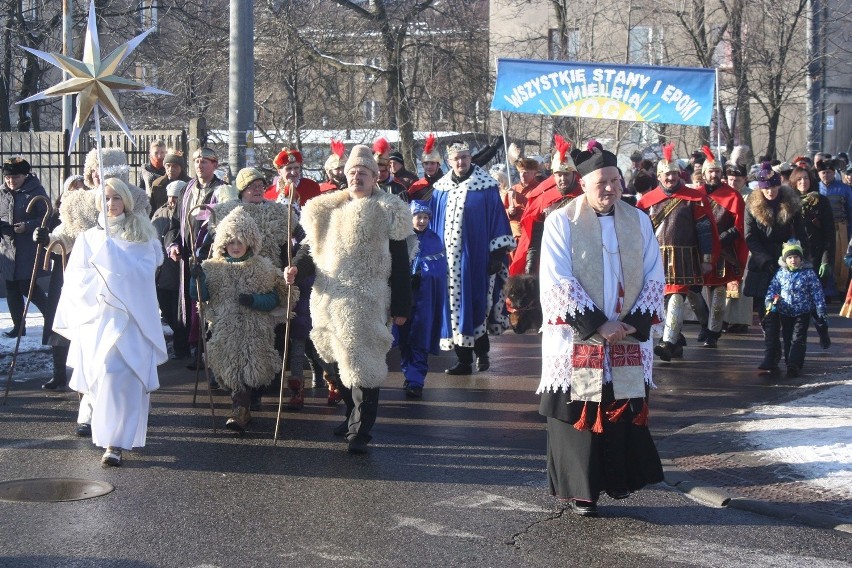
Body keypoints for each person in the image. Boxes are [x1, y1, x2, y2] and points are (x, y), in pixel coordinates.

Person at [537, 144, 665, 517]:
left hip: (625, 332)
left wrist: (634, 321)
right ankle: (583, 491)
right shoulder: (563, 221)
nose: (610, 188)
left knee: (619, 405)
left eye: (615, 181)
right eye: (601, 182)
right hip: (580, 335)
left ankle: (617, 480)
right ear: (583, 183)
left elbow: (654, 272)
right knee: (582, 409)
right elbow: (556, 279)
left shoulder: (638, 219)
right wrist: (596, 324)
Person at [285, 144, 412, 454]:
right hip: (330, 299)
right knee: (333, 361)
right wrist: (296, 269)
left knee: (363, 364)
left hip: (367, 299)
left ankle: (360, 429)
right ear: (345, 175)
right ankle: (350, 414)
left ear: (374, 177)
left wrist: (401, 306)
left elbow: (401, 262)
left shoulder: (387, 210)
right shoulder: (328, 210)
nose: (357, 177)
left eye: (364, 173)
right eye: (353, 172)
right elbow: (308, 250)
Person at [53, 177, 166, 467]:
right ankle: (106, 436)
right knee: (104, 376)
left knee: (126, 376)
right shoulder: (90, 238)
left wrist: (116, 261)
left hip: (132, 319)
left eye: (116, 198)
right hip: (100, 318)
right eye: (106, 198)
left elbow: (146, 273)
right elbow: (76, 279)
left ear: (126, 201)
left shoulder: (143, 235)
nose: (111, 203)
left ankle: (117, 442)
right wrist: (99, 273)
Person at [35, 148, 149, 402]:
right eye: (94, 170)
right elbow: (65, 235)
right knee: (75, 331)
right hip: (79, 276)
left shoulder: (136, 198)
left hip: (117, 281)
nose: (98, 175)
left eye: (105, 170)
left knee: (112, 345)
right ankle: (72, 384)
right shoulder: (75, 201)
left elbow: (143, 238)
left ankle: (118, 399)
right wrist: (48, 239)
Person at [212, 167, 306, 409]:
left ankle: (260, 387)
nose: (257, 189)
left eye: (261, 185)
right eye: (251, 186)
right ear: (242, 189)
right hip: (230, 281)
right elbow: (209, 246)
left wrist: (293, 266)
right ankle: (239, 393)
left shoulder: (280, 212)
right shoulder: (225, 212)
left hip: (269, 281)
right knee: (233, 337)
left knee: (266, 337)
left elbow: (304, 239)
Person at [190, 207, 288, 432]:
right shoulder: (212, 268)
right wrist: (196, 280)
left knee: (251, 368)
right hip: (225, 327)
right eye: (231, 241)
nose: (235, 246)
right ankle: (241, 406)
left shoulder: (262, 268)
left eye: (240, 242)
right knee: (230, 367)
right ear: (223, 242)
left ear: (250, 243)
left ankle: (241, 408)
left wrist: (254, 300)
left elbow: (274, 298)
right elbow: (201, 296)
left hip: (255, 329)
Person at [429, 140, 515, 375]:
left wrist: (497, 254)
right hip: (448, 263)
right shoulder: (440, 190)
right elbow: (434, 226)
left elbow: (498, 219)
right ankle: (464, 360)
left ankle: (483, 352)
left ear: (470, 158)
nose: (461, 162)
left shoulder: (486, 187)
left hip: (476, 259)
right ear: (449, 162)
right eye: (456, 158)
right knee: (453, 308)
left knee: (477, 304)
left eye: (465, 157)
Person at [636, 143, 719, 361]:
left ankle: (668, 342)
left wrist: (707, 259)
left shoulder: (693, 198)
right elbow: (639, 234)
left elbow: (704, 231)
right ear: (660, 176)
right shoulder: (646, 201)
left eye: (674, 174)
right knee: (661, 300)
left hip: (685, 257)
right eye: (667, 174)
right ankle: (677, 338)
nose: (671, 178)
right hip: (657, 258)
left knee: (677, 296)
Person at [168, 147, 226, 371]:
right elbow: (174, 224)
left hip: (211, 257)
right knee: (192, 307)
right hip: (188, 258)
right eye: (196, 161)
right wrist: (173, 245)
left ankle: (211, 353)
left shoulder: (222, 191)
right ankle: (196, 351)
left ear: (215, 164)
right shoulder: (187, 190)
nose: (200, 165)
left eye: (205, 161)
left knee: (208, 306)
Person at [693, 147, 748, 348]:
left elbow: (739, 225)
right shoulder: (695, 194)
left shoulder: (733, 196)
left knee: (718, 291)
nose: (714, 175)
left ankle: (713, 332)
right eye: (710, 171)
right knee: (692, 289)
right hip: (698, 251)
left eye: (717, 171)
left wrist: (720, 240)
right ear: (704, 173)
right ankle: (704, 323)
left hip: (723, 251)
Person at [743, 163, 809, 320]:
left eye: (773, 187)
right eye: (766, 188)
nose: (770, 191)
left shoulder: (791, 203)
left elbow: (800, 233)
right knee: (763, 301)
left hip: (787, 256)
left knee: (786, 298)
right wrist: (763, 258)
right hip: (762, 258)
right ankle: (768, 330)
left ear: (778, 185)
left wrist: (798, 255)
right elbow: (749, 236)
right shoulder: (752, 205)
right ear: (760, 188)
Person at [509, 134, 582, 277]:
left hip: (578, 260)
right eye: (559, 174)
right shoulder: (544, 200)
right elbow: (535, 238)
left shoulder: (584, 197)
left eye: (566, 174)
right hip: (550, 260)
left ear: (574, 174)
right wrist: (530, 267)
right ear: (553, 175)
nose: (562, 179)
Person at [395, 200, 447, 399]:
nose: (422, 221)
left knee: (419, 341)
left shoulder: (434, 240)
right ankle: (409, 375)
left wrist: (422, 276)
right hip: (403, 300)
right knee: (404, 340)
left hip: (424, 300)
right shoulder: (401, 238)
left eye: (426, 217)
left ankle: (416, 381)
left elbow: (439, 271)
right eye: (419, 216)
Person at [760, 240, 827, 377]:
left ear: (801, 258)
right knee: (787, 336)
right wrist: (770, 301)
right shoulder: (780, 273)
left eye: (796, 257)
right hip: (785, 311)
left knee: (798, 338)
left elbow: (817, 292)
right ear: (785, 259)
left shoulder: (808, 273)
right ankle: (788, 360)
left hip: (802, 311)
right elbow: (773, 289)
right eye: (790, 257)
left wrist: (820, 308)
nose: (793, 260)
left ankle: (794, 364)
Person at [0, 156, 50, 338]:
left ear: (25, 175)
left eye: (15, 177)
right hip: (8, 248)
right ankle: (18, 327)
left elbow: (46, 218)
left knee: (27, 286)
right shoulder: (2, 193)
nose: (11, 181)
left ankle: (51, 319)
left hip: (28, 248)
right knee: (11, 287)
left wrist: (28, 226)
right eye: (8, 178)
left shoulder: (36, 191)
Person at [151, 180, 190, 359]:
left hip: (180, 271)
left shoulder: (187, 212)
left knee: (181, 314)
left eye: (176, 197)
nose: (173, 201)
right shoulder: (160, 213)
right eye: (170, 197)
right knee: (166, 309)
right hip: (163, 271)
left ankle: (182, 347)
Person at [815, 155, 852, 289]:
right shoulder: (815, 188)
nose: (826, 175)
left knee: (840, 260)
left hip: (840, 229)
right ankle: (824, 290)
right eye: (823, 172)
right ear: (818, 174)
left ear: (834, 173)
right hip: (819, 230)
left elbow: (850, 210)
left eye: (829, 172)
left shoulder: (845, 189)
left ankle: (840, 288)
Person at [504, 145, 541, 240]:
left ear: (534, 173)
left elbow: (537, 210)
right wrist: (509, 212)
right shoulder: (513, 189)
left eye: (526, 172)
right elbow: (502, 211)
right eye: (521, 172)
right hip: (514, 236)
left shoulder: (540, 189)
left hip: (531, 235)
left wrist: (520, 198)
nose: (523, 175)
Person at [149, 149, 190, 215]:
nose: (171, 169)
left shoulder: (190, 184)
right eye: (168, 166)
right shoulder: (157, 184)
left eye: (175, 166)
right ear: (164, 166)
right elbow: (152, 208)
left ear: (181, 167)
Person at [407, 133, 444, 201]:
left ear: (438, 165)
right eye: (426, 163)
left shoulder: (446, 183)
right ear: (423, 165)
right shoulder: (417, 186)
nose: (429, 167)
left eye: (432, 163)